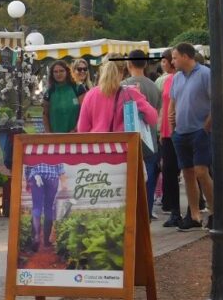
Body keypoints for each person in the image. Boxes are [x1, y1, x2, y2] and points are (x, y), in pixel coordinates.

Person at [168, 43, 212, 231]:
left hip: (199, 131)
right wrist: (172, 126)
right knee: (187, 173)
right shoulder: (177, 78)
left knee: (201, 171)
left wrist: (206, 128)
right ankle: (194, 214)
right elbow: (173, 100)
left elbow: (215, 101)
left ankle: (215, 212)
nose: (172, 61)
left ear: (186, 56)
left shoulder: (205, 74)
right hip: (181, 132)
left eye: (175, 57)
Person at [121, 50, 162, 220]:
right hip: (150, 141)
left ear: (129, 64)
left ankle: (132, 217)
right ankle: (146, 216)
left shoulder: (123, 86)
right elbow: (156, 113)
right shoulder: (154, 86)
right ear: (145, 64)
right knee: (149, 182)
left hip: (129, 140)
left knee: (130, 182)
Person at [77, 60, 158, 134]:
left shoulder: (90, 94)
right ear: (122, 72)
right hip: (123, 146)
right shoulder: (130, 93)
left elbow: (82, 129)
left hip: (96, 146)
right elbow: (153, 118)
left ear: (103, 70)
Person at [157, 49, 182, 227]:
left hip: (180, 130)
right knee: (169, 172)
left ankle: (196, 210)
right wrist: (160, 129)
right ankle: (175, 211)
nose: (170, 62)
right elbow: (164, 107)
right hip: (167, 132)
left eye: (173, 58)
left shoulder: (180, 79)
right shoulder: (167, 81)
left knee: (191, 171)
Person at [41, 61, 86, 133]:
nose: (58, 74)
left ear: (67, 72)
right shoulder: (49, 92)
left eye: (61, 71)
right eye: (55, 72)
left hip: (76, 135)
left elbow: (84, 112)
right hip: (55, 137)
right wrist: (48, 133)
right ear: (52, 74)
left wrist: (76, 129)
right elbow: (45, 114)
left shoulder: (78, 88)